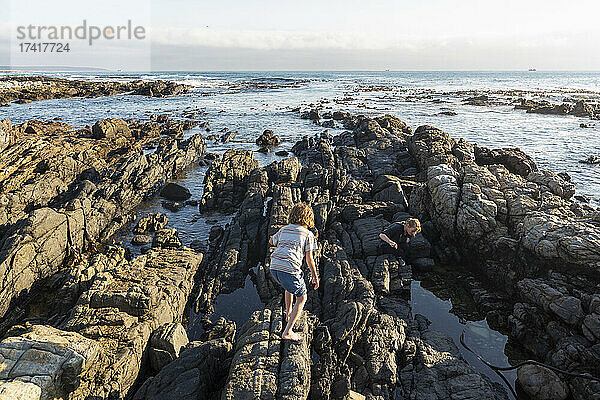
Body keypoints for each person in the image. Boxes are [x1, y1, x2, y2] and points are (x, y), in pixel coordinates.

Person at [269, 202, 319, 341]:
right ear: (308, 218)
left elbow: (271, 241)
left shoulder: (284, 229)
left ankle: (289, 312)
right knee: (302, 298)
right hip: (290, 269)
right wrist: (315, 277)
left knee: (288, 287)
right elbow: (309, 259)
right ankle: (288, 331)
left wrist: (279, 242)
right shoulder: (308, 235)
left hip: (274, 267)